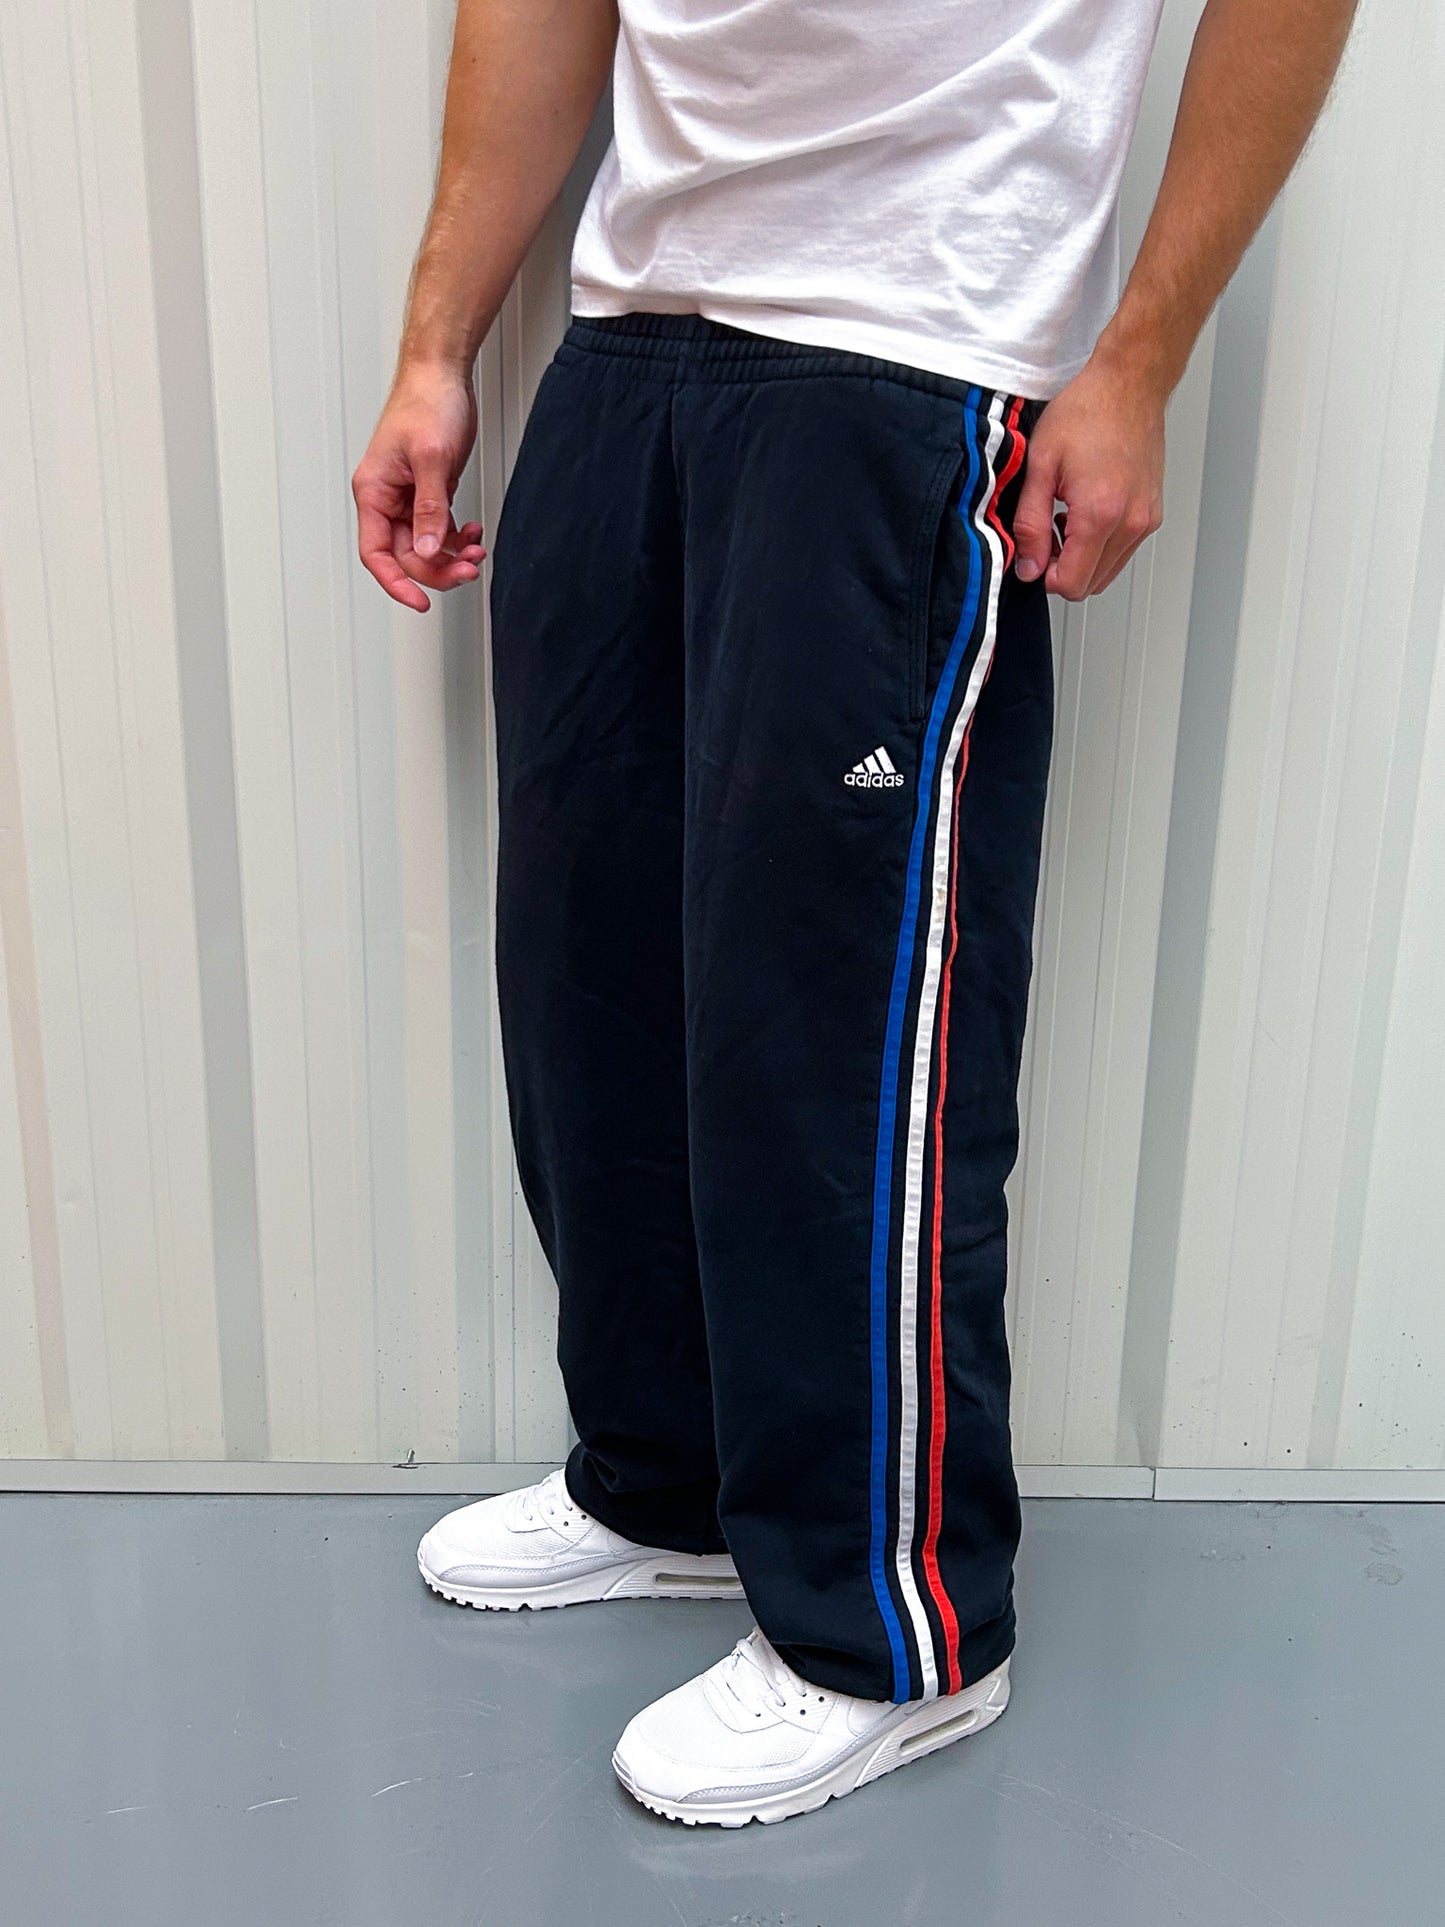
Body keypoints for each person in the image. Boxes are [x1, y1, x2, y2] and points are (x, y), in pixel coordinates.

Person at [354, 0, 1358, 1827]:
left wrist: (1135, 357)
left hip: (908, 358)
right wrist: (439, 344)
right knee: (593, 987)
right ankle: (665, 1480)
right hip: (627, 343)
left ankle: (890, 1630)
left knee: (838, 1038)